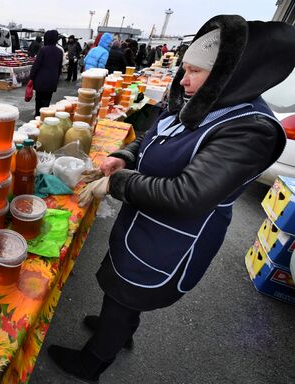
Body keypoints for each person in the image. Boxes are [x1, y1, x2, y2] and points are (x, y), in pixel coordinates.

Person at [47, 14, 295, 383]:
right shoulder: (202, 100)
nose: (184, 79)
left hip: (174, 238)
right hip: (143, 219)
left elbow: (188, 195)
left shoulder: (249, 128)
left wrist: (117, 184)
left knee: (130, 289)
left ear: (230, 74)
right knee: (120, 288)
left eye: (195, 71)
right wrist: (125, 156)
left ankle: (93, 362)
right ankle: (117, 328)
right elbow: (156, 135)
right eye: (185, 68)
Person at [28, 30, 62, 116]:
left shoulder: (43, 50)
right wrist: (56, 79)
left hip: (41, 79)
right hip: (52, 80)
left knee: (39, 99)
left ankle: (37, 117)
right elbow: (59, 67)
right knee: (47, 100)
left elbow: (36, 65)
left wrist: (31, 77)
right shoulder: (60, 51)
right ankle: (44, 116)